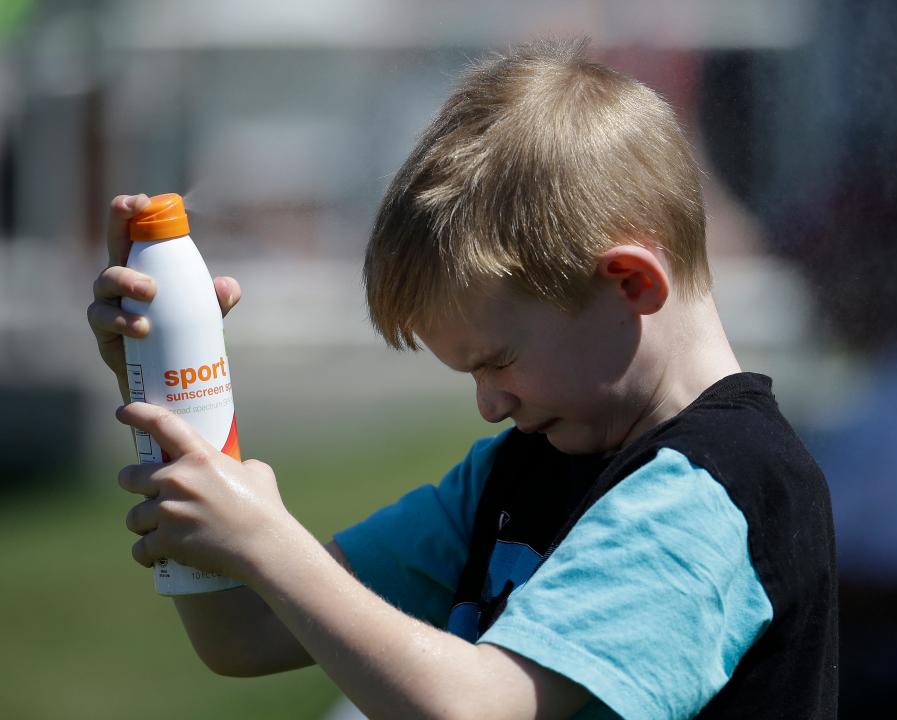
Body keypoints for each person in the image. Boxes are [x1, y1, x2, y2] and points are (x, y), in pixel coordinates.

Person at [87, 39, 837, 719]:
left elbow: (474, 710)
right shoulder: (514, 475)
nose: (488, 405)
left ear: (630, 285)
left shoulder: (717, 492)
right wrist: (174, 400)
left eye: (497, 360)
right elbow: (245, 637)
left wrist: (267, 538)